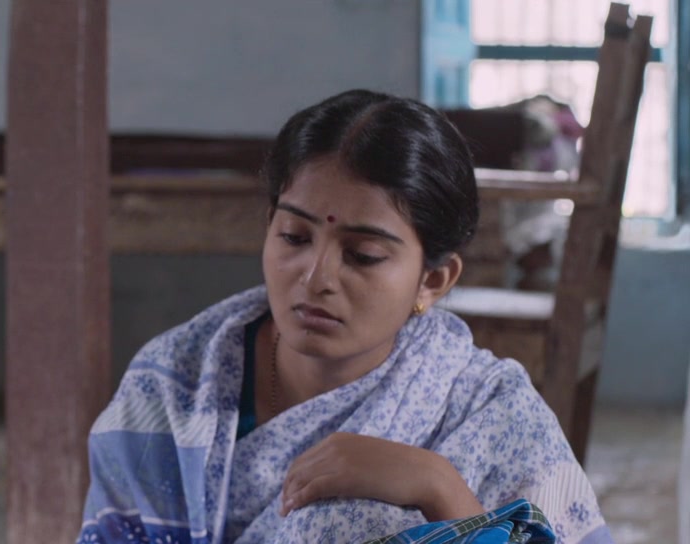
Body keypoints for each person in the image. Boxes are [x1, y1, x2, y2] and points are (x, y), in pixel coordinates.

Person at [77, 90, 611, 544]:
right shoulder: (175, 384)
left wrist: (437, 485)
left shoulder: (488, 412)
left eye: (363, 255)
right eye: (294, 237)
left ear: (433, 280)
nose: (316, 278)